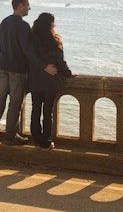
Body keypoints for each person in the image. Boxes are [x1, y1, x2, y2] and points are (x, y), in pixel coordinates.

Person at [0, 0, 57, 146]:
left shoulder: (4, 23)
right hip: (17, 69)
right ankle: (11, 136)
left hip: (2, 67)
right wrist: (44, 66)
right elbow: (28, 51)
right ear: (19, 5)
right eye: (27, 5)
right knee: (15, 103)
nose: (29, 8)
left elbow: (1, 46)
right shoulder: (23, 26)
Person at [28, 12, 73, 150]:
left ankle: (36, 138)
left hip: (35, 80)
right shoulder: (54, 40)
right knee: (48, 112)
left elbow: (29, 59)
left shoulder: (31, 39)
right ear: (50, 24)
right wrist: (68, 73)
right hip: (51, 81)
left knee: (36, 110)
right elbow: (60, 62)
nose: (55, 24)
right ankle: (46, 141)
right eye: (53, 22)